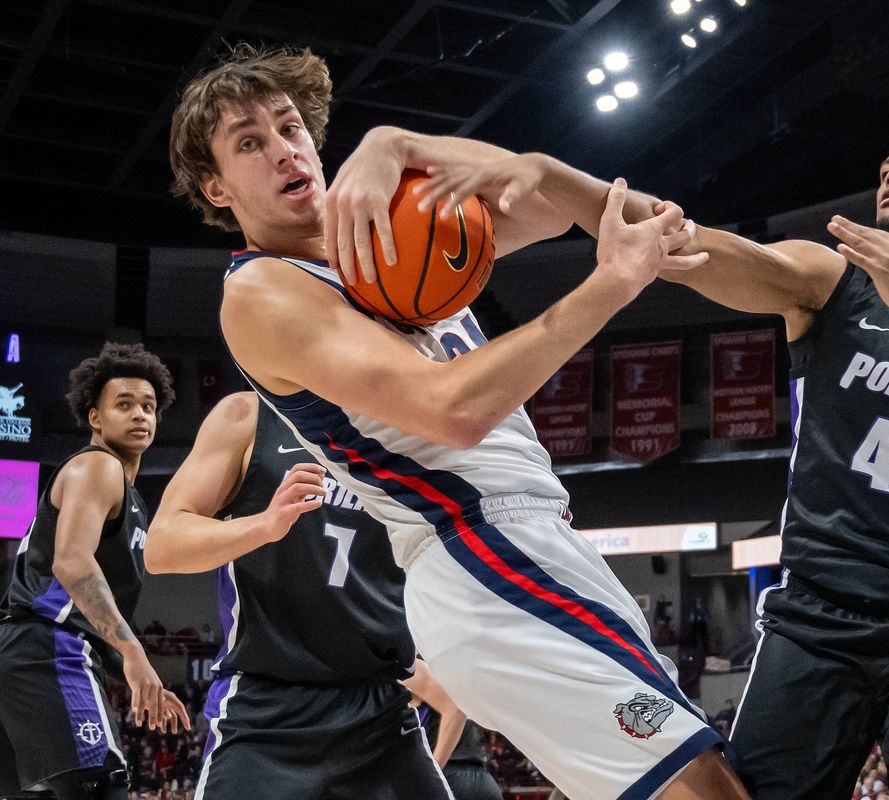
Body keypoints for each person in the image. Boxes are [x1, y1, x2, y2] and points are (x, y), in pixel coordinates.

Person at [167, 44, 743, 800]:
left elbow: (548, 194)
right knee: (702, 791)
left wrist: (399, 145)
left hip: (539, 542)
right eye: (250, 143)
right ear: (215, 187)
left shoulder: (386, 238)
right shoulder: (263, 293)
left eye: (289, 127)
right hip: (477, 559)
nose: (283, 150)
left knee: (709, 782)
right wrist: (611, 284)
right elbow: (453, 411)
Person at [419, 122, 889, 798]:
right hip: (816, 623)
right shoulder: (831, 281)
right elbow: (681, 238)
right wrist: (549, 172)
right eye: (887, 164)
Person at [145, 392, 452, 799]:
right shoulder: (248, 416)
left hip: (377, 708)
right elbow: (162, 546)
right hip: (266, 709)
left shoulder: (415, 434)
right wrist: (263, 526)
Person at [0, 343, 190, 800]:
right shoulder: (97, 467)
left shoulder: (129, 494)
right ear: (95, 418)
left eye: (148, 406)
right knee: (102, 787)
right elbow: (72, 563)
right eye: (123, 405)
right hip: (49, 646)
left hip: (24, 652)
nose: (140, 415)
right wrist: (134, 653)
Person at [409, 660, 503, 800]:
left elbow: (454, 709)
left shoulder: (403, 667)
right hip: (475, 777)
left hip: (452, 779)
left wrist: (433, 772)